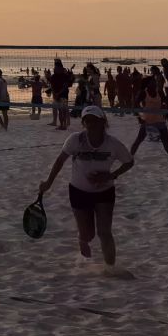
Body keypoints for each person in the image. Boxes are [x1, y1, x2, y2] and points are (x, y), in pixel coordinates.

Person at [38, 106, 133, 267]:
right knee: (87, 234)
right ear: (83, 123)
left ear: (103, 121)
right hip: (78, 192)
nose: (90, 124)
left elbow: (129, 162)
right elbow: (60, 161)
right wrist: (48, 183)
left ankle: (110, 268)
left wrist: (110, 175)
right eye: (87, 120)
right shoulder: (75, 139)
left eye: (94, 120)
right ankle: (83, 249)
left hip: (104, 192)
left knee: (104, 232)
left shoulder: (113, 144)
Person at [129, 78, 168, 162]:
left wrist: (166, 110)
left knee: (166, 142)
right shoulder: (144, 93)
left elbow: (165, 103)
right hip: (148, 122)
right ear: (148, 84)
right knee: (138, 140)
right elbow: (134, 106)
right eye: (153, 82)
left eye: (155, 82)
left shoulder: (159, 92)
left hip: (160, 121)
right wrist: (139, 118)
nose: (155, 83)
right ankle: (128, 158)